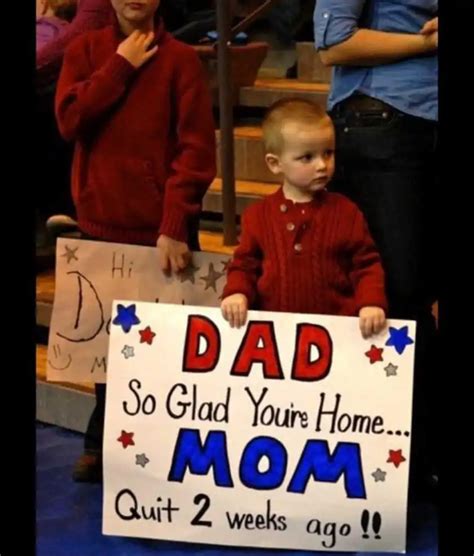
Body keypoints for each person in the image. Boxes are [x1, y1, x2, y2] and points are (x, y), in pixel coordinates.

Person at [55, 0, 216, 481]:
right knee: (106, 354)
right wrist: (120, 65)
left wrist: (173, 224)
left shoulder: (182, 59)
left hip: (161, 233)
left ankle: (171, 450)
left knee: (167, 351)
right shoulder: (85, 51)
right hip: (100, 226)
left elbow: (196, 150)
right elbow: (69, 121)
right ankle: (103, 444)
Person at [313, 0, 439, 496]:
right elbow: (334, 43)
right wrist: (428, 42)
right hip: (386, 123)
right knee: (398, 297)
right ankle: (394, 461)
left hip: (420, 122)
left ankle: (417, 454)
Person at [221, 98, 387, 340]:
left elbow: (366, 264)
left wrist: (371, 302)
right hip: (275, 336)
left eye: (328, 153)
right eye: (307, 157)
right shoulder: (257, 216)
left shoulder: (346, 212)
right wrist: (237, 293)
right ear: (275, 164)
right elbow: (244, 265)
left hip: (338, 337)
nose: (322, 165)